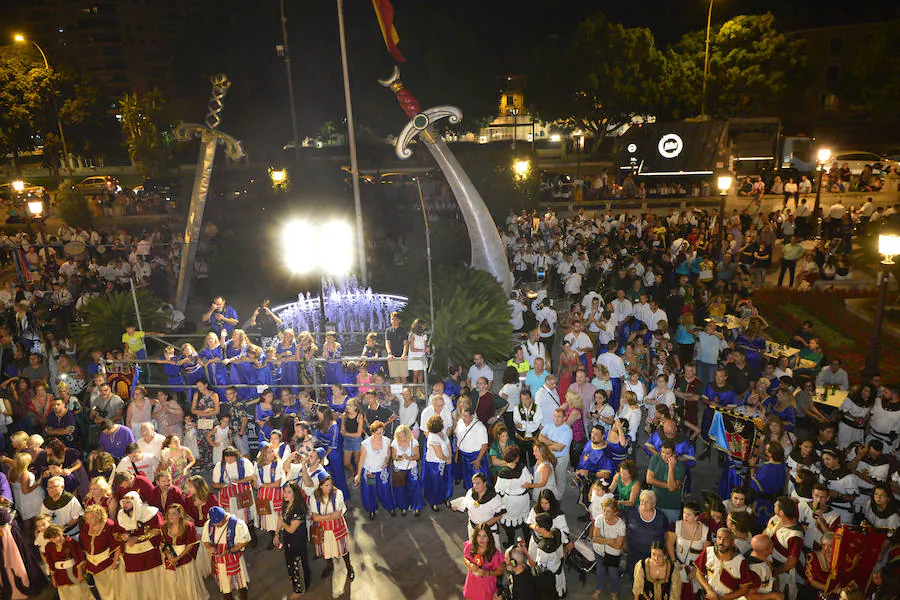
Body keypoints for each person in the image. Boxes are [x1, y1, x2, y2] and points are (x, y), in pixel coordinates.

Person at [114, 491, 165, 600]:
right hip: (131, 554)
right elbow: (116, 534)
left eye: (128, 502)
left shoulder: (149, 513)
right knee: (136, 585)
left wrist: (138, 538)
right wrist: (122, 536)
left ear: (135, 502)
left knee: (152, 584)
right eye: (123, 502)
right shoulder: (121, 516)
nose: (125, 505)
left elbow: (157, 531)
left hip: (149, 552)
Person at [307, 475, 354, 581]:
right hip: (323, 529)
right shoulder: (314, 497)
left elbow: (337, 515)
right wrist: (330, 516)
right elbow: (315, 517)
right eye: (326, 485)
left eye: (330, 484)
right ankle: (329, 565)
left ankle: (349, 567)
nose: (330, 487)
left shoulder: (338, 494)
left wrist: (322, 517)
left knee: (343, 549)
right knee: (326, 550)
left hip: (337, 526)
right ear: (320, 486)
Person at [211, 446, 258, 546]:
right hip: (227, 496)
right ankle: (234, 537)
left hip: (242, 494)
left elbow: (252, 476)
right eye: (227, 458)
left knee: (247, 516)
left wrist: (239, 481)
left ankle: (251, 535)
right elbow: (215, 484)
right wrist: (225, 485)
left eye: (232, 458)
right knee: (230, 517)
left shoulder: (244, 462)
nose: (229, 460)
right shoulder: (219, 466)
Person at [160, 504, 208, 600]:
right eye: (169, 514)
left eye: (174, 513)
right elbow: (163, 543)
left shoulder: (188, 526)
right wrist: (169, 555)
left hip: (185, 558)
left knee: (187, 583)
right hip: (170, 559)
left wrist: (178, 558)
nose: (170, 516)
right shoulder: (164, 527)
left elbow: (190, 545)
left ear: (180, 514)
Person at [202, 506, 251, 599]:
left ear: (224, 517)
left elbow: (245, 541)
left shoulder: (237, 524)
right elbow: (205, 540)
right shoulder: (209, 524)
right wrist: (210, 547)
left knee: (241, 583)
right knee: (225, 587)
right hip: (220, 562)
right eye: (214, 523)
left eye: (218, 523)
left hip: (235, 559)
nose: (216, 526)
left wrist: (230, 550)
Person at [694, 528, 755, 600]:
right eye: (719, 538)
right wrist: (709, 590)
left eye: (726, 539)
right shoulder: (708, 552)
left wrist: (723, 598)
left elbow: (744, 589)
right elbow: (699, 573)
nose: (721, 542)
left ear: (732, 542)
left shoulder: (740, 561)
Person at [666, 501, 709, 600]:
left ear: (696, 517)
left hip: (696, 569)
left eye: (689, 514)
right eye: (684, 513)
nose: (685, 516)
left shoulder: (705, 530)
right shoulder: (676, 525)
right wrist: (674, 562)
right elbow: (669, 544)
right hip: (679, 566)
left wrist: (696, 570)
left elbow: (706, 553)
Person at [274, 481, 310, 600]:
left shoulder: (298, 509)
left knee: (297, 563)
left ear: (295, 493)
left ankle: (300, 589)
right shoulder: (286, 504)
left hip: (297, 540)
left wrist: (282, 523)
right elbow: (281, 519)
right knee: (290, 561)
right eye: (284, 492)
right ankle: (296, 583)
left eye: (288, 492)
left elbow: (290, 529)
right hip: (288, 539)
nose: (285, 494)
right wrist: (276, 534)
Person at [354, 420, 396, 519]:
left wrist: (386, 461)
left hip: (382, 471)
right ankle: (371, 509)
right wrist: (358, 474)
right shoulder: (365, 444)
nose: (380, 435)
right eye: (378, 433)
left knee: (385, 489)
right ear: (372, 433)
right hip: (370, 472)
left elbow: (388, 453)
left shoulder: (386, 440)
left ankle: (390, 506)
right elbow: (361, 460)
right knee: (370, 491)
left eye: (382, 432)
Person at [764, 497, 804, 600]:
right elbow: (766, 533)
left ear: (781, 512)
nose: (773, 505)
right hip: (767, 564)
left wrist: (775, 572)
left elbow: (791, 563)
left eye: (776, 505)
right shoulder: (775, 519)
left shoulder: (795, 536)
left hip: (782, 573)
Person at [453, 472, 506, 547]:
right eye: (474, 483)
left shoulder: (494, 498)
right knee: (475, 549)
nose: (475, 486)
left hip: (488, 531)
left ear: (484, 484)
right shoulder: (471, 492)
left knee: (491, 552)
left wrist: (484, 526)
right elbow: (465, 504)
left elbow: (499, 515)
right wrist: (457, 506)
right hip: (473, 528)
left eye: (478, 483)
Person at [43, 524, 93, 600]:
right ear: (49, 539)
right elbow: (51, 563)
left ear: (61, 532)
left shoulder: (71, 543)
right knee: (66, 595)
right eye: (53, 538)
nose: (57, 539)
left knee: (81, 594)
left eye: (59, 535)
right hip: (60, 575)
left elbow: (79, 559)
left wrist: (80, 574)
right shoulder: (49, 547)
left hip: (74, 573)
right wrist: (53, 578)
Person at [627, 490, 670, 572]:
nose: (643, 503)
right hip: (634, 553)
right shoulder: (632, 513)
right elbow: (625, 531)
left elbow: (666, 536)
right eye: (641, 500)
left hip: (653, 556)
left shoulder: (661, 517)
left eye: (646, 502)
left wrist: (666, 552)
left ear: (653, 504)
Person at [592, 496, 626, 600]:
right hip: (599, 551)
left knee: (613, 574)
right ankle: (599, 589)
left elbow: (618, 545)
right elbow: (595, 538)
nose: (605, 513)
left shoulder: (621, 525)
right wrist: (610, 540)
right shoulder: (599, 519)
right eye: (604, 510)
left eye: (608, 511)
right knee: (600, 572)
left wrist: (603, 540)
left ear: (615, 513)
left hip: (612, 554)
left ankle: (614, 593)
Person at [463, 522, 506, 600]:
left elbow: (501, 571)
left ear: (489, 537)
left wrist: (487, 573)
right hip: (472, 581)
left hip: (486, 584)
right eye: (479, 535)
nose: (481, 539)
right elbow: (465, 557)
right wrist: (470, 564)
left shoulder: (494, 553)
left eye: (484, 536)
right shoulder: (470, 546)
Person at [646, 440, 686, 523]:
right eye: (662, 452)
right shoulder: (656, 458)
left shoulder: (680, 466)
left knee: (669, 532)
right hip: (655, 503)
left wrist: (671, 468)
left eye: (667, 453)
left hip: (671, 506)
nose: (663, 455)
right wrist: (668, 485)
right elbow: (649, 479)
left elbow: (672, 489)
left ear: (673, 454)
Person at [390, 423, 424, 516]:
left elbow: (417, 456)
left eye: (402, 436)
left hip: (411, 467)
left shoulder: (414, 442)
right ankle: (403, 507)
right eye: (398, 436)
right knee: (400, 488)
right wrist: (397, 458)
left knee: (415, 486)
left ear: (407, 434)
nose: (400, 438)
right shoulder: (395, 442)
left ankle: (416, 506)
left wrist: (409, 457)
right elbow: (393, 456)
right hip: (399, 469)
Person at [455, 406, 491, 491]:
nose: (464, 418)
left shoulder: (480, 427)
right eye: (463, 415)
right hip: (463, 456)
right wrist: (457, 453)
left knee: (478, 480)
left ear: (472, 416)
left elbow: (484, 445)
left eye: (466, 416)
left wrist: (478, 460)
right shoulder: (460, 423)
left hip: (475, 457)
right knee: (467, 478)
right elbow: (458, 438)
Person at [539, 407, 573, 496]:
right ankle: (549, 495)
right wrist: (552, 442)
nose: (555, 419)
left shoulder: (567, 430)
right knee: (549, 477)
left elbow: (559, 448)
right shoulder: (549, 424)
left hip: (561, 459)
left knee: (560, 480)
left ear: (564, 418)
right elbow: (540, 437)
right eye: (554, 416)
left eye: (559, 417)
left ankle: (558, 497)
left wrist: (546, 445)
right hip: (549, 457)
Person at [423, 414, 453, 512]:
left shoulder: (441, 433)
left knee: (445, 481)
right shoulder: (433, 437)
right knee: (436, 483)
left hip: (444, 461)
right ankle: (434, 501)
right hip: (435, 464)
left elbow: (448, 444)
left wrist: (450, 456)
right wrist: (447, 459)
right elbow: (439, 454)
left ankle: (444, 497)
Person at [513, 389, 542, 470]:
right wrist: (529, 424)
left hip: (533, 439)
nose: (525, 402)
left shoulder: (537, 408)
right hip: (520, 439)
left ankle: (534, 476)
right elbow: (516, 422)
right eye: (522, 399)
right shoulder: (517, 408)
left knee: (534, 459)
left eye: (527, 399)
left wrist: (523, 425)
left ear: (531, 398)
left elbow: (535, 426)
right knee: (521, 460)